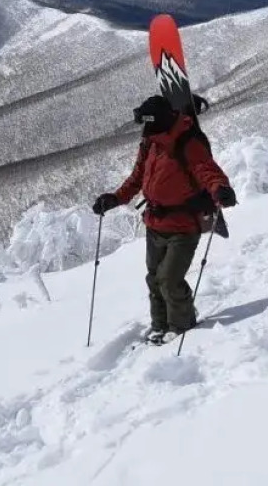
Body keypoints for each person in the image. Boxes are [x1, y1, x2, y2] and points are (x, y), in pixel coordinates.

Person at [92, 92, 236, 343]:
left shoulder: (186, 142)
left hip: (183, 224)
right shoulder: (151, 143)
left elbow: (206, 169)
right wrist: (115, 198)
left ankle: (182, 327)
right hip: (156, 223)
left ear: (161, 120)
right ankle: (160, 324)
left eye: (150, 123)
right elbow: (137, 177)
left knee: (169, 280)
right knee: (154, 278)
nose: (146, 129)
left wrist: (220, 189)